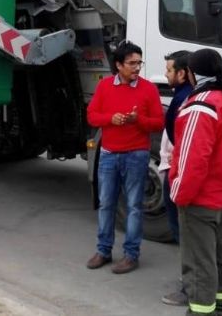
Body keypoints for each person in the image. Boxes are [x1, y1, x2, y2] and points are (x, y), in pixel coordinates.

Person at [164, 48, 222, 316]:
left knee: (199, 261)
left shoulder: (199, 106)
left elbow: (192, 159)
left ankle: (201, 310)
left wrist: (179, 194)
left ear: (192, 73)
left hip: (200, 200)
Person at [86, 41, 164, 274]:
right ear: (119, 65)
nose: (137, 67)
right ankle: (103, 251)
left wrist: (136, 120)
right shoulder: (105, 86)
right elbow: (92, 116)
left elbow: (159, 123)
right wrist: (112, 119)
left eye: (139, 62)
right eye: (132, 63)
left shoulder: (149, 89)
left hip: (137, 155)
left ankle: (131, 255)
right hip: (109, 154)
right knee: (106, 203)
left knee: (134, 206)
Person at [159, 50, 193, 244]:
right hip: (178, 162)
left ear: (181, 74)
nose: (165, 74)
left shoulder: (184, 99)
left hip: (178, 167)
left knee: (180, 224)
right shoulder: (186, 95)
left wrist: (177, 154)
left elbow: (180, 133)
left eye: (169, 70)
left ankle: (190, 272)